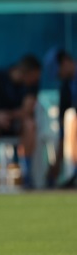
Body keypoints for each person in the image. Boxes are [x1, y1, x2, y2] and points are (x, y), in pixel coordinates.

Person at [0, 55, 42, 189]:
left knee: (29, 124)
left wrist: (7, 116)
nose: (36, 80)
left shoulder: (32, 85)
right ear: (26, 73)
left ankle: (26, 172)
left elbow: (26, 111)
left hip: (17, 124)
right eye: (34, 76)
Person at [51, 50, 76, 187]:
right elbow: (63, 126)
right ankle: (72, 174)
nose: (59, 75)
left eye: (59, 70)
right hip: (73, 127)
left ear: (65, 62)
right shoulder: (65, 87)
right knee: (71, 118)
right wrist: (57, 162)